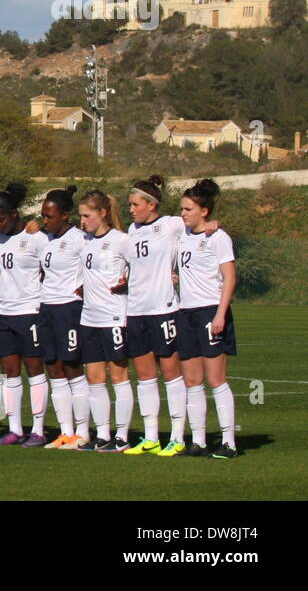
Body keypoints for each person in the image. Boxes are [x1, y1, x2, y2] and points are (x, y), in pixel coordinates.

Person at [122, 175, 217, 456]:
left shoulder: (172, 224)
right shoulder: (132, 228)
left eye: (135, 204)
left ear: (151, 205)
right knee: (145, 376)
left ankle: (177, 436)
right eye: (129, 204)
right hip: (136, 310)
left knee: (172, 375)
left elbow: (199, 226)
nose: (131, 209)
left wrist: (213, 225)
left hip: (164, 309)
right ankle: (150, 436)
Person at [176, 179, 238, 458]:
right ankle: (198, 441)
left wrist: (220, 314)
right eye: (182, 209)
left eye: (188, 209)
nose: (183, 214)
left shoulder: (219, 238)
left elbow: (230, 278)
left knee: (216, 380)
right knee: (191, 381)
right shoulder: (183, 236)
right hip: (185, 313)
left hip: (210, 311)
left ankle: (228, 442)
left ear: (204, 211)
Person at [0, 183, 51, 446]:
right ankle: (14, 429)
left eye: (1, 218)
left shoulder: (36, 236)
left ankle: (38, 429)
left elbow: (50, 270)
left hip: (30, 312)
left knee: (35, 370)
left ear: (14, 214)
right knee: (10, 372)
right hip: (3, 312)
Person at [76, 190, 132, 452]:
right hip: (89, 317)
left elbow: (143, 267)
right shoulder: (84, 240)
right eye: (80, 216)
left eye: (87, 215)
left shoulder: (121, 240)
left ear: (103, 213)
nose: (83, 221)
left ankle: (122, 435)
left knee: (118, 376)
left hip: (114, 316)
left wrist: (128, 281)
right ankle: (102, 434)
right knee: (94, 378)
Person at [33, 187, 88, 450]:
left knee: (73, 368)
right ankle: (65, 432)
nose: (45, 220)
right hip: (47, 308)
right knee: (53, 368)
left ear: (65, 215)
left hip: (69, 309)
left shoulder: (80, 238)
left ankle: (83, 431)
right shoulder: (45, 238)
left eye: (50, 216)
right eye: (43, 215)